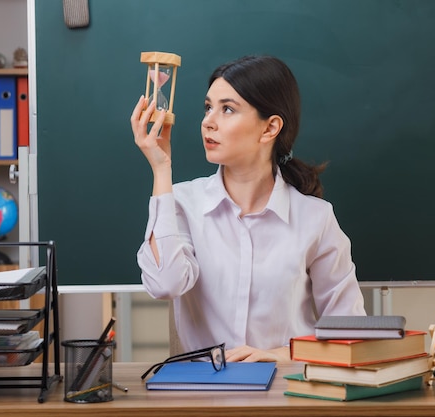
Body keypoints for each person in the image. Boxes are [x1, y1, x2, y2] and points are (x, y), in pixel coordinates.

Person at [131, 55, 365, 363]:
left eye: (227, 109)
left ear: (270, 128)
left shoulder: (315, 218)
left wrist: (279, 355)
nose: (208, 121)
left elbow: (350, 331)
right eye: (207, 107)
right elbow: (165, 284)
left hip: (288, 393)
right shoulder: (181, 203)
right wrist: (161, 171)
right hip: (203, 397)